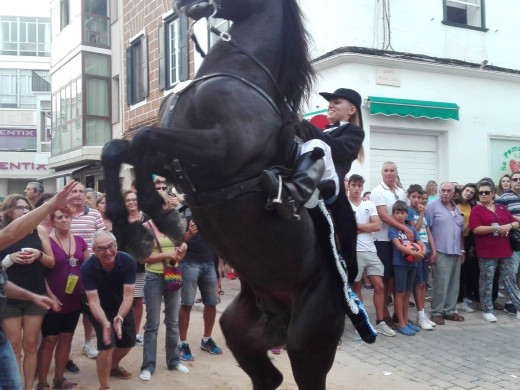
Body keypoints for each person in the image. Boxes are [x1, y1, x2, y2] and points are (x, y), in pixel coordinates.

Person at [262, 88, 365, 282]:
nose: (330, 105)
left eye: (336, 102)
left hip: (330, 182)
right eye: (330, 102)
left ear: (351, 110)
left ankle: (293, 194)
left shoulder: (354, 132)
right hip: (310, 178)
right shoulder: (323, 129)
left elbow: (336, 149)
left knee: (317, 145)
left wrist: (305, 125)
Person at [0, 194, 55, 390]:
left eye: (27, 208)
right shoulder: (3, 233)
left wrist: (38, 254)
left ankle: (28, 387)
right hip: (8, 297)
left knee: (31, 345)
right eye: (19, 208)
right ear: (9, 211)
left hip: (35, 293)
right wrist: (9, 259)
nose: (25, 211)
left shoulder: (38, 230)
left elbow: (51, 262)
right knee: (14, 346)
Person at [36, 209, 89, 390]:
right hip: (53, 299)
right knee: (49, 340)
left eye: (67, 216)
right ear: (53, 221)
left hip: (74, 299)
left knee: (67, 337)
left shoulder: (81, 241)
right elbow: (41, 274)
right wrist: (50, 296)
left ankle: (59, 379)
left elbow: (87, 268)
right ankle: (42, 383)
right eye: (60, 217)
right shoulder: (47, 242)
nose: (64, 220)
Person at [80, 230, 136, 390]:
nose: (108, 252)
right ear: (94, 251)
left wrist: (120, 316)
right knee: (106, 347)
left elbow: (128, 296)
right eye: (101, 249)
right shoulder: (87, 268)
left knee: (128, 343)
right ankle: (104, 386)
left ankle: (112, 366)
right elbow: (93, 301)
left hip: (121, 306)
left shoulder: (128, 261)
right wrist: (105, 323)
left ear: (116, 244)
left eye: (111, 246)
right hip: (99, 309)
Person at [139, 210, 189, 381]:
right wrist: (167, 254)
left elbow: (180, 249)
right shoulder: (145, 227)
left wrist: (181, 251)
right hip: (153, 277)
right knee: (152, 324)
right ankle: (148, 366)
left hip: (172, 275)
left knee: (173, 322)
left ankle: (174, 361)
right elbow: (142, 258)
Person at [347, 175, 395, 337]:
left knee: (379, 285)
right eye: (353, 185)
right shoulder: (344, 205)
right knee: (357, 287)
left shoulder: (369, 204)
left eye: (359, 186)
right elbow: (344, 230)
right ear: (349, 186)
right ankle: (361, 323)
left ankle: (380, 322)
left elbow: (377, 225)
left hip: (371, 249)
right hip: (353, 251)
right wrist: (361, 228)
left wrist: (356, 227)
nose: (356, 188)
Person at [469, 180, 520, 322]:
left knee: (510, 280)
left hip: (505, 250)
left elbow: (516, 222)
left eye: (486, 192)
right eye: (480, 193)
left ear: (493, 194)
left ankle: (518, 307)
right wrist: (496, 228)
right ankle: (487, 309)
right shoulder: (476, 210)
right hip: (487, 251)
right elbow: (476, 229)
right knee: (486, 281)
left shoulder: (501, 208)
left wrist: (508, 226)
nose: (483, 195)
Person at [178, 205, 223, 361]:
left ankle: (206, 340)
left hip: (208, 262)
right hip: (189, 263)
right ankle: (182, 343)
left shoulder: (210, 210)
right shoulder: (182, 211)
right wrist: (189, 234)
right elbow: (176, 240)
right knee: (186, 304)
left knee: (211, 303)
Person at [69, 183, 105, 360]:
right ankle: (65, 347)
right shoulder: (62, 214)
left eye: (81, 192)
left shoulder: (94, 215)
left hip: (91, 269)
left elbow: (103, 239)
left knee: (90, 308)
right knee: (67, 308)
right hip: (66, 269)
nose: (78, 194)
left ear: (86, 195)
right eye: (74, 191)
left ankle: (87, 343)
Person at [370, 161, 409, 328]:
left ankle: (397, 315)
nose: (389, 173)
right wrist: (404, 228)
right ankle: (384, 315)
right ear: (381, 173)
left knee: (395, 279)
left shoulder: (401, 192)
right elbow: (383, 216)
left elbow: (406, 214)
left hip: (399, 241)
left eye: (392, 170)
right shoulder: (377, 191)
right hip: (383, 241)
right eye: (386, 170)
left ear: (396, 172)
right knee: (384, 280)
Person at [426, 182, 465, 325]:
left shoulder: (456, 207)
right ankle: (436, 312)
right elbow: (427, 228)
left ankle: (450, 311)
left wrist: (462, 250)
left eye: (449, 190)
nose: (445, 193)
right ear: (439, 191)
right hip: (440, 250)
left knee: (454, 283)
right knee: (440, 283)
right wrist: (432, 251)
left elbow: (460, 231)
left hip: (455, 250)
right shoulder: (432, 206)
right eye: (443, 190)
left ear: (454, 193)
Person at [389, 201, 426, 336]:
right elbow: (398, 246)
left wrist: (423, 251)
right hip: (400, 265)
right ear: (393, 214)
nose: (400, 215)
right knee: (399, 293)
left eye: (402, 213)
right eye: (397, 213)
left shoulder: (411, 229)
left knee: (407, 293)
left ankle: (406, 320)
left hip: (413, 264)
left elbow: (420, 242)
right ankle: (401, 323)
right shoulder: (393, 229)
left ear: (406, 214)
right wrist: (413, 253)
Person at [405, 185, 436, 331]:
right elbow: (414, 231)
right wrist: (422, 214)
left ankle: (422, 314)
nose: (417, 200)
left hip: (426, 252)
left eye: (420, 197)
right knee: (417, 284)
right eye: (414, 197)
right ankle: (419, 314)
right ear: (409, 197)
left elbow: (428, 233)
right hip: (417, 253)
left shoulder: (424, 213)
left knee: (424, 283)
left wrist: (433, 251)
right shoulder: (409, 212)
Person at [122, 190, 148, 346]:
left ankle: (136, 333)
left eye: (134, 199)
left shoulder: (147, 219)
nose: (131, 202)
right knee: (122, 300)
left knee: (137, 301)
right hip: (123, 265)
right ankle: (123, 331)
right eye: (128, 200)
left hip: (140, 266)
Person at [454, 183, 478, 313]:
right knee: (457, 271)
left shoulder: (471, 206)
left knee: (466, 270)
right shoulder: (453, 204)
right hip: (455, 240)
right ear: (462, 190)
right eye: (467, 190)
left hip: (467, 238)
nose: (468, 193)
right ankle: (457, 301)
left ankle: (462, 298)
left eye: (472, 192)